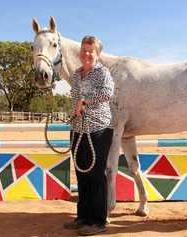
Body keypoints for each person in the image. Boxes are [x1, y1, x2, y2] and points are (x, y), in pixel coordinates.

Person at [64, 35, 114, 236]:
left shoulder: (103, 72)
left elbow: (107, 93)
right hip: (78, 128)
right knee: (81, 174)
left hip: (98, 129)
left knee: (95, 175)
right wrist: (75, 109)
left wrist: (85, 101)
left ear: (97, 53)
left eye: (90, 51)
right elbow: (74, 97)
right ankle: (83, 217)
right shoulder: (76, 74)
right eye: (84, 50)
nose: (86, 54)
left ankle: (98, 221)